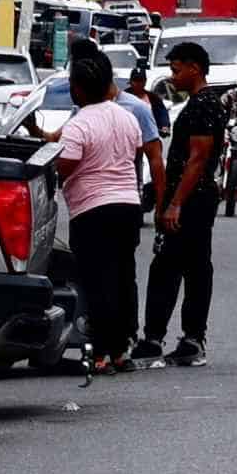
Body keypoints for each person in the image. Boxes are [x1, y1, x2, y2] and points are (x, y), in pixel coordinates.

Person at [46, 45, 146, 372]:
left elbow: (66, 164)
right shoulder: (126, 116)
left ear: (77, 89)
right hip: (128, 206)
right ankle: (122, 349)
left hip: (93, 211)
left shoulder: (79, 124)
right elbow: (133, 156)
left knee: (96, 280)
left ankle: (101, 353)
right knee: (122, 276)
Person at [144, 37, 230, 367]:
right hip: (194, 196)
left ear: (194, 69)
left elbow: (198, 159)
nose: (172, 76)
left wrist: (176, 203)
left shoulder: (204, 105)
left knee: (170, 266)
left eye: (176, 70)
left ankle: (160, 338)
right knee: (192, 267)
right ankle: (189, 339)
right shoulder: (198, 103)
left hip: (194, 199)